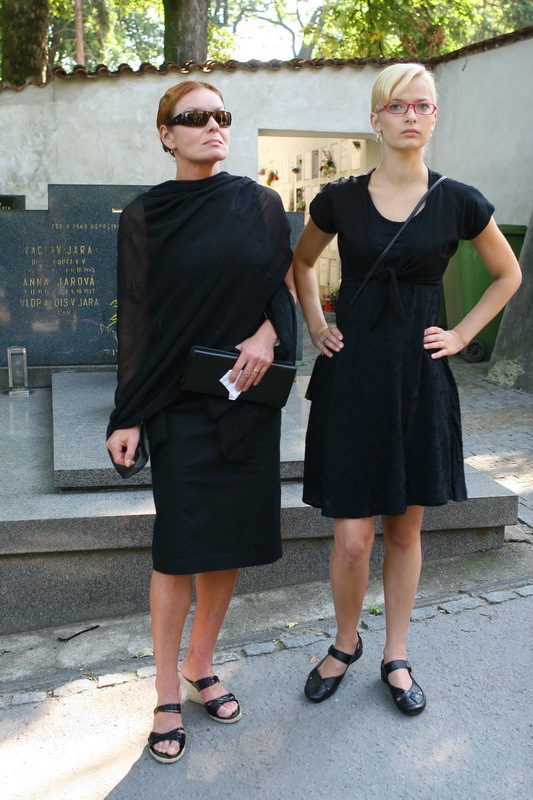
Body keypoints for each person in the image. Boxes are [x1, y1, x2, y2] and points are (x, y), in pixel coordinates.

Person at [292, 63, 521, 714]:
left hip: (418, 379)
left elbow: (507, 274)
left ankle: (395, 653)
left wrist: (461, 333)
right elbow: (301, 263)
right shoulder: (339, 199)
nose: (411, 115)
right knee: (350, 538)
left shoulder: (459, 200)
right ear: (376, 119)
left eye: (422, 105)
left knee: (404, 529)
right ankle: (344, 643)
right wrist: (316, 324)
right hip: (353, 374)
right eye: (397, 106)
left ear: (434, 116)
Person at [106, 80, 296, 762]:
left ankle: (200, 662)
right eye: (195, 117)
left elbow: (280, 290)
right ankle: (165, 689)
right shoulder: (143, 215)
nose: (213, 125)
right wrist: (127, 413)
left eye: (221, 115)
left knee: (228, 542)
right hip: (177, 403)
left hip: (245, 399)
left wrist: (269, 337)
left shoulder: (259, 203)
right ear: (167, 135)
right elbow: (137, 321)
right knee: (179, 547)